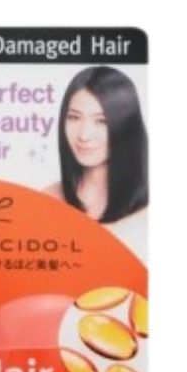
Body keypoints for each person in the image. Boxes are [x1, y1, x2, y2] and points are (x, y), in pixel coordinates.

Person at [44, 66, 148, 258]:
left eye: (102, 121)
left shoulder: (146, 215)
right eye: (74, 117)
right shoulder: (46, 201)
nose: (84, 135)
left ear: (127, 126)